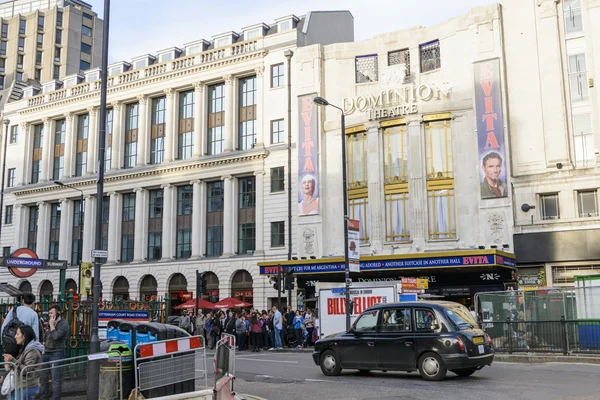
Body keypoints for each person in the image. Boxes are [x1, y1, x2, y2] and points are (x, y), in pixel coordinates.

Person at [3, 325, 43, 400]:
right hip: (20, 385)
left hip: (27, 386)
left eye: (17, 334)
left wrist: (12, 360)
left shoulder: (32, 350)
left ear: (24, 336)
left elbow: (26, 370)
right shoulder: (25, 348)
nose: (15, 336)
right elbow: (20, 364)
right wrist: (10, 363)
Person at [39, 305, 69, 400]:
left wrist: (52, 325)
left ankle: (55, 398)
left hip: (57, 353)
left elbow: (56, 336)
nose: (50, 315)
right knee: (43, 378)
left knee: (56, 379)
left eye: (52, 313)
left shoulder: (64, 324)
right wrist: (43, 346)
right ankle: (44, 397)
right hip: (46, 352)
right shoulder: (49, 322)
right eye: (49, 313)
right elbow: (46, 335)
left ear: (58, 313)